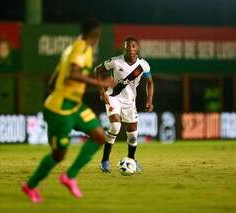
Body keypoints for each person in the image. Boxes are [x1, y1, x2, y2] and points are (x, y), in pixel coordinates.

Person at [21, 18, 115, 203]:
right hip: (60, 110)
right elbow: (74, 74)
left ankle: (69, 176)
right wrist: (100, 83)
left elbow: (55, 77)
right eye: (98, 36)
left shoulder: (72, 48)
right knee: (58, 155)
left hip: (73, 105)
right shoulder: (82, 48)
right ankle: (30, 186)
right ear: (95, 35)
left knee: (98, 136)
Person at [95, 36, 154, 173]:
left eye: (133, 46)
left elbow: (150, 82)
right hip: (113, 97)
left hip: (129, 101)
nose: (130, 49)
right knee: (115, 126)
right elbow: (97, 70)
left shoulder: (143, 65)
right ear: (124, 48)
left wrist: (149, 100)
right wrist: (102, 92)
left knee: (133, 135)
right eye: (128, 46)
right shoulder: (116, 62)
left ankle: (131, 160)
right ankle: (104, 161)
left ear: (137, 49)